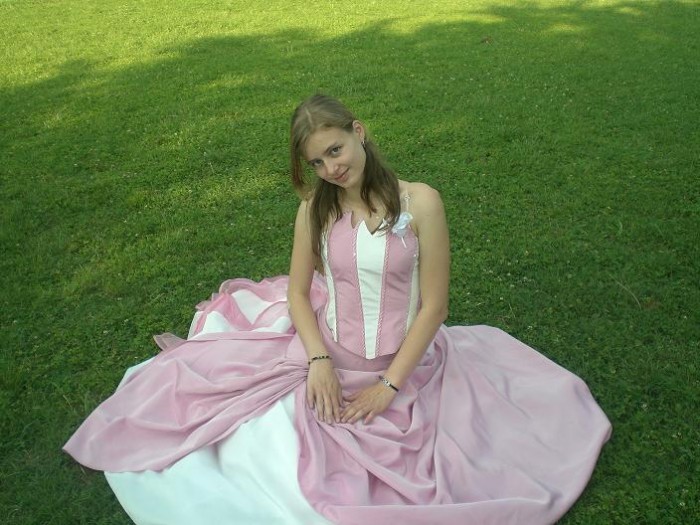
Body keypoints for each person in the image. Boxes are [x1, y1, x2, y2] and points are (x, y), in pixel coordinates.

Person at [64, 94, 611, 525]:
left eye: (335, 150)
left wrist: (390, 387)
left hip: (409, 363)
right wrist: (319, 361)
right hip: (331, 352)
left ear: (359, 132)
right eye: (316, 161)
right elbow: (299, 295)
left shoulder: (422, 202)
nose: (330, 167)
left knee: (478, 455)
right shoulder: (314, 211)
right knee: (252, 451)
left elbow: (435, 307)